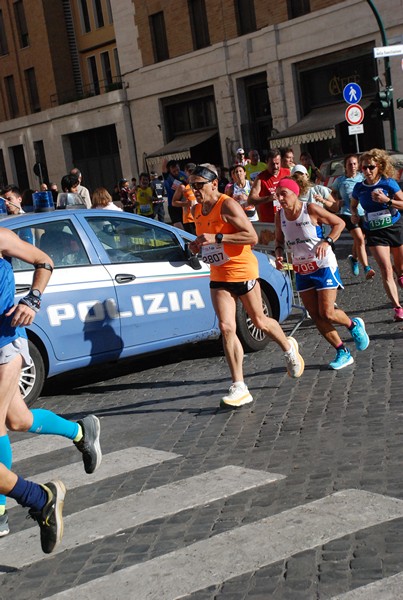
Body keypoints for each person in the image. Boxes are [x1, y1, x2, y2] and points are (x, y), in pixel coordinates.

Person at [0, 227, 102, 539]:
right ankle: (81, 431)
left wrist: (32, 300)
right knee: (17, 420)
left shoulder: (1, 237)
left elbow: (44, 261)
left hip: (5, 345)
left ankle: (13, 506)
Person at [188, 164, 304, 409]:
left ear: (214, 184)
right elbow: (207, 238)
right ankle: (239, 386)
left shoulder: (227, 205)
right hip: (219, 273)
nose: (195, 190)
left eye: (199, 185)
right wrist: (198, 245)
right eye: (192, 185)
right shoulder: (196, 210)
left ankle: (288, 347)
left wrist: (218, 238)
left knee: (259, 321)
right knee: (226, 328)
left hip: (242, 271)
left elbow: (251, 236)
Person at [274, 178, 370, 370]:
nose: (280, 198)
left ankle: (353, 325)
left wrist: (327, 241)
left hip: (323, 265)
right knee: (316, 315)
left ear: (295, 193)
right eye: (278, 194)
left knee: (327, 312)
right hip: (301, 269)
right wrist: (278, 255)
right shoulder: (280, 216)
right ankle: (342, 351)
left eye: (284, 193)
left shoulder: (309, 209)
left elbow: (339, 224)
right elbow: (278, 240)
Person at [351, 149, 403, 322]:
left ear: (379, 166)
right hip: (374, 231)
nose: (367, 171)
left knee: (400, 269)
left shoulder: (389, 183)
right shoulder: (359, 188)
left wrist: (387, 200)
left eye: (370, 167)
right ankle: (397, 307)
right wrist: (354, 214)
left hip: (394, 227)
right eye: (364, 168)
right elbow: (353, 205)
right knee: (386, 269)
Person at [331, 154, 375, 280]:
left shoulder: (362, 177)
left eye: (355, 164)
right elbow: (332, 193)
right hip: (348, 213)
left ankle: (354, 259)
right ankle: (367, 268)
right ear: (345, 166)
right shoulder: (340, 181)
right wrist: (337, 201)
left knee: (359, 239)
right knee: (360, 239)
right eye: (350, 164)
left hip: (363, 212)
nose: (353, 166)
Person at [248, 148, 290, 223]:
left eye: (277, 163)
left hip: (287, 219)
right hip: (270, 221)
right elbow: (251, 200)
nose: (275, 167)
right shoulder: (261, 178)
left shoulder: (287, 173)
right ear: (267, 162)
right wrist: (269, 198)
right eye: (272, 164)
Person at [172, 163, 197, 234]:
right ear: (185, 172)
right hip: (189, 220)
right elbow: (174, 202)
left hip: (200, 217)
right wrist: (186, 203)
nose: (191, 173)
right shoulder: (183, 186)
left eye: (193, 171)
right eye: (189, 171)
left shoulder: (200, 184)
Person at [162, 159, 187, 226]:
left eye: (177, 170)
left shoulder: (183, 174)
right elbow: (164, 163)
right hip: (173, 206)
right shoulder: (167, 176)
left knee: (186, 227)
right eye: (174, 171)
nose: (176, 172)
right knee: (178, 227)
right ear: (169, 171)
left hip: (183, 205)